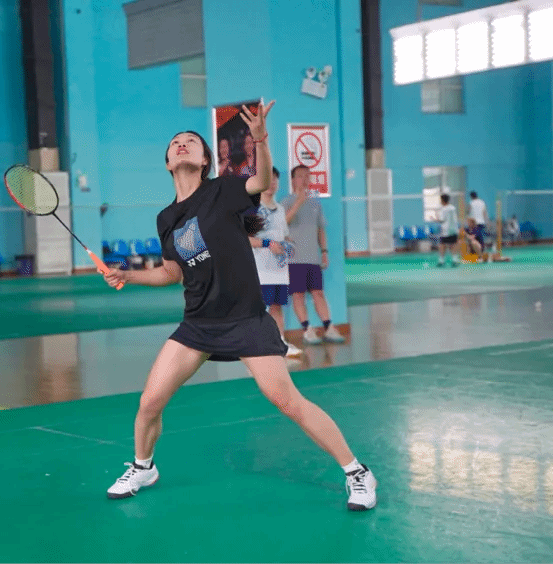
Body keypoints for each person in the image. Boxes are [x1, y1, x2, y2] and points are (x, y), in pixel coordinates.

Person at [100, 100, 377, 511]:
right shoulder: (166, 218)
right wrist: (128, 275)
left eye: (191, 141)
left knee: (287, 401)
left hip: (245, 320)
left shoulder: (223, 191)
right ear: (168, 163)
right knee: (149, 402)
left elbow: (261, 179)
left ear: (205, 160)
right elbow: (172, 271)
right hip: (198, 324)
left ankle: (358, 472)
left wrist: (260, 140)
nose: (181, 144)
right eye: (175, 142)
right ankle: (144, 466)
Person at [280, 166, 345, 345]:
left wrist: (324, 252)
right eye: (300, 176)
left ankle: (329, 328)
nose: (304, 180)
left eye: (307, 176)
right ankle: (307, 330)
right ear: (293, 180)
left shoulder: (316, 203)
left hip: (313, 259)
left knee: (318, 293)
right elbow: (282, 225)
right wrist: (298, 202)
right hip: (294, 259)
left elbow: (320, 230)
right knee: (298, 295)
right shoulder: (285, 202)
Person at [248, 166, 303, 357]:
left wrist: (289, 245)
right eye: (268, 179)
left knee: (277, 308)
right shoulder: (252, 209)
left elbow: (283, 236)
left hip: (280, 270)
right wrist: (267, 244)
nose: (272, 183)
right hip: (260, 271)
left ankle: (281, 343)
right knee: (259, 310)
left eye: (275, 179)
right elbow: (244, 239)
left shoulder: (280, 209)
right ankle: (256, 346)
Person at [437, 193, 459, 267]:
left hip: (446, 230)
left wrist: (435, 219)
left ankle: (441, 261)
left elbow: (442, 220)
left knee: (442, 245)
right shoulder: (453, 208)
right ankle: (455, 260)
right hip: (454, 229)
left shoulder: (444, 209)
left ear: (442, 200)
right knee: (453, 245)